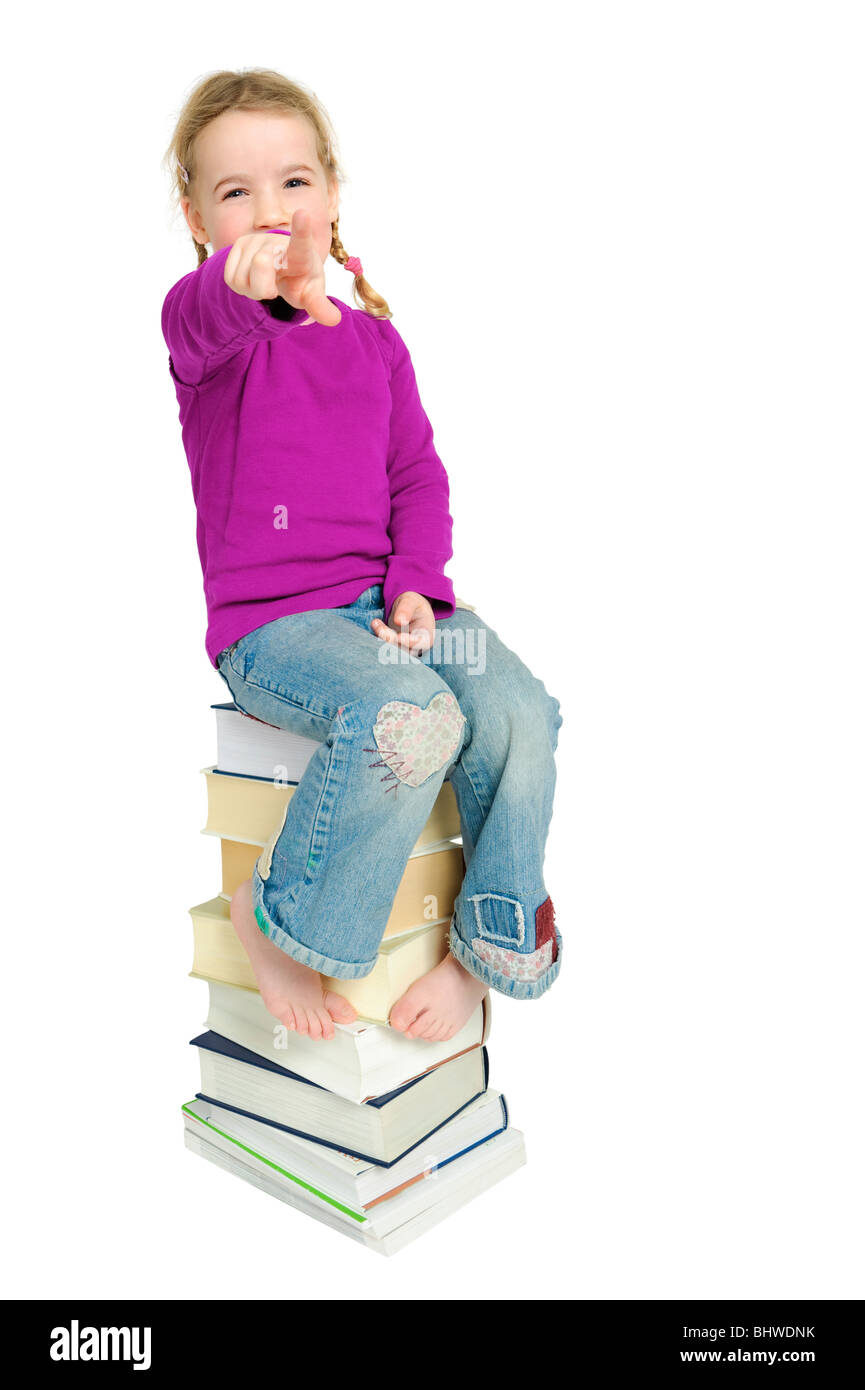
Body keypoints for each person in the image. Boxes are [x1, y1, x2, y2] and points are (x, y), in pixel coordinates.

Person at [161, 68, 563, 1045]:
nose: (271, 212)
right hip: (281, 630)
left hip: (394, 612)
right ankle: (282, 913)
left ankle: (486, 942)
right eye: (236, 193)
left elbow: (418, 478)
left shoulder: (378, 345)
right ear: (198, 218)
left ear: (332, 195)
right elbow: (199, 311)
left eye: (293, 183)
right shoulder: (213, 336)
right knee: (407, 717)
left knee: (515, 710)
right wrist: (232, 283)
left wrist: (420, 586)